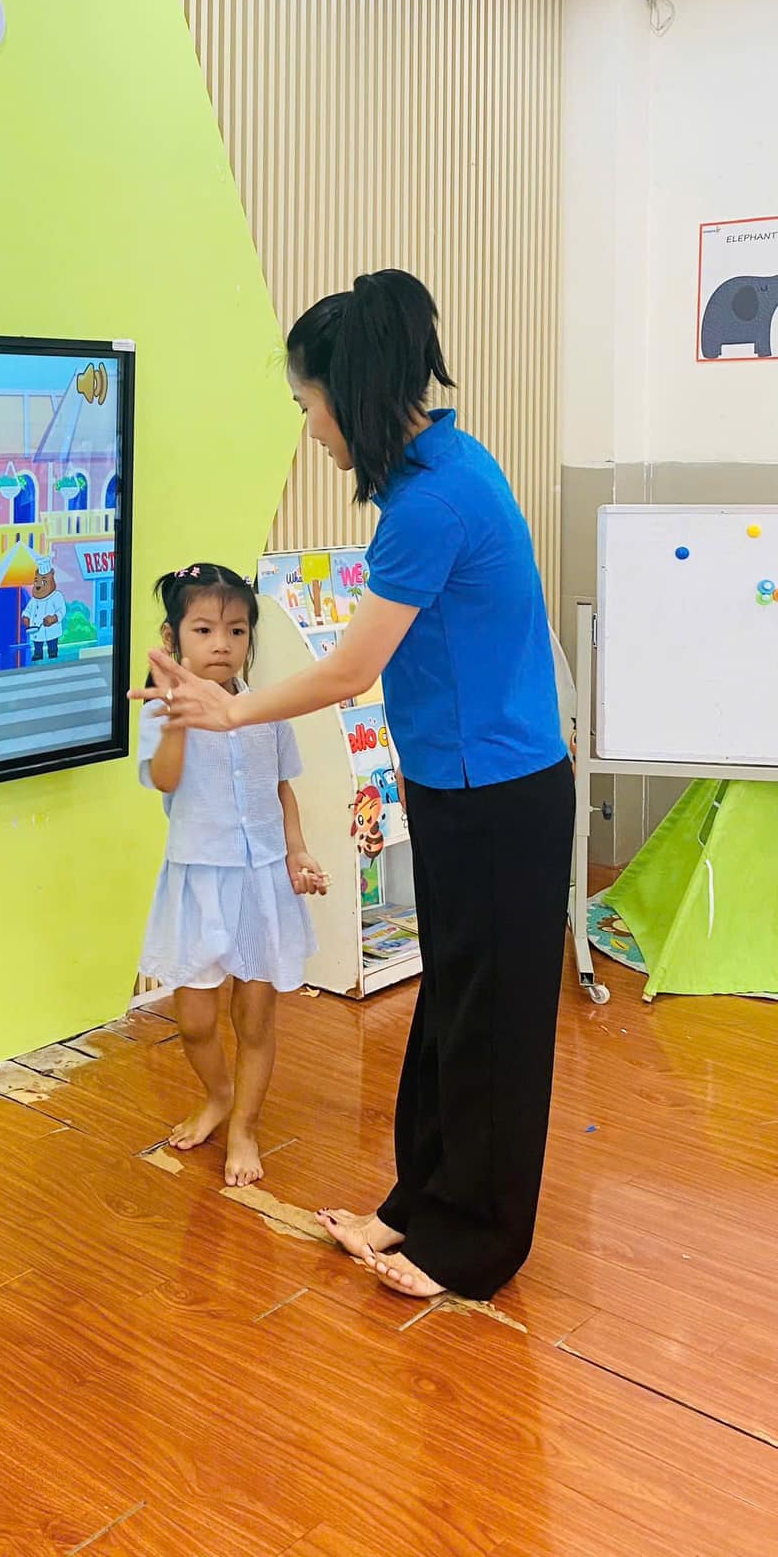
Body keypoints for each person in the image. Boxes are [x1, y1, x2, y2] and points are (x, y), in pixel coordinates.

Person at [131, 272, 571, 1302]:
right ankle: (417, 1204)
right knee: (451, 1011)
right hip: (460, 785)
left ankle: (473, 1248)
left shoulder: (435, 502)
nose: (312, 427)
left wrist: (228, 709)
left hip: (501, 796)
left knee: (493, 1029)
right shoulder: (434, 474)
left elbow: (348, 671)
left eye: (310, 403)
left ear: (352, 393)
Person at [136, 563, 328, 1189]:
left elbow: (282, 789)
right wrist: (175, 719)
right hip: (198, 881)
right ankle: (218, 1096)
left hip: (262, 881)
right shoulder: (161, 710)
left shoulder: (267, 710)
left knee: (255, 1019)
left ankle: (244, 1125)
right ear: (172, 638)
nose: (222, 644)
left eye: (237, 630)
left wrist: (297, 852)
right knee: (194, 1021)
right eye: (204, 630)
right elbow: (164, 780)